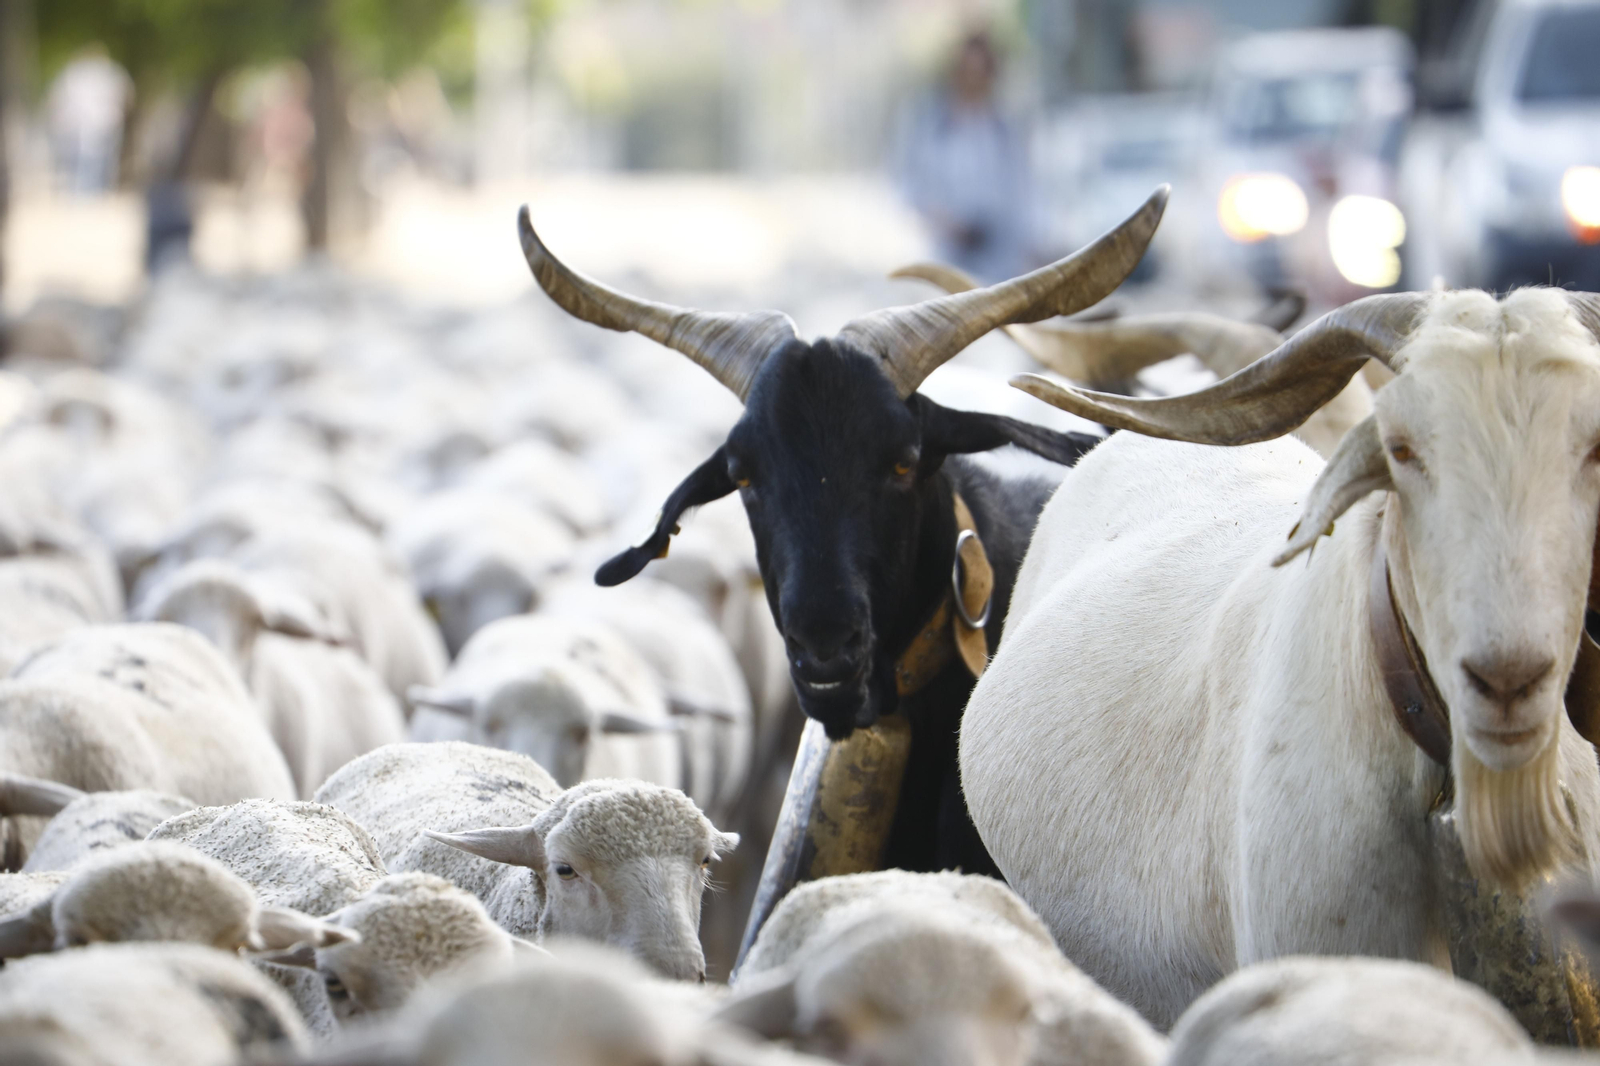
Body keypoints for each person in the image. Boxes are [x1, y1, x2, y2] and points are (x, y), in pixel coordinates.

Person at [895, 31, 1037, 282]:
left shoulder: (1004, 129)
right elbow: (907, 184)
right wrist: (943, 220)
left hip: (999, 260)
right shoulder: (930, 127)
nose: (973, 80)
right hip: (946, 254)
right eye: (967, 72)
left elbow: (1024, 194)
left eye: (980, 73)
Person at [47, 47, 132, 194]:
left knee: (91, 158)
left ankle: (87, 190)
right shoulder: (108, 72)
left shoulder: (77, 73)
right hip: (96, 123)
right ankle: (91, 190)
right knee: (95, 158)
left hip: (95, 123)